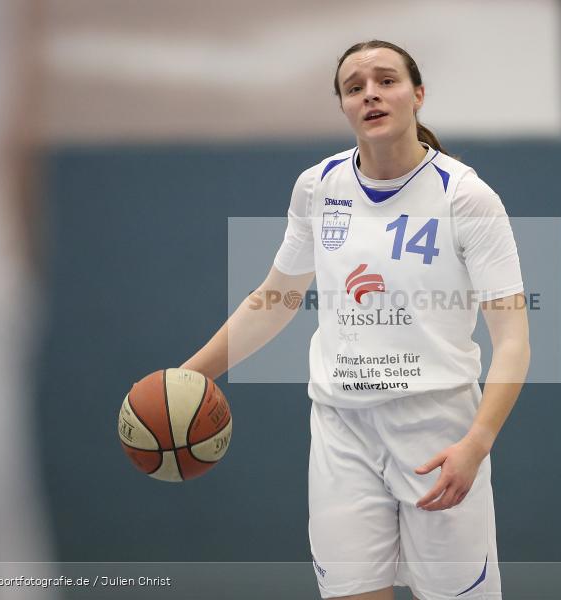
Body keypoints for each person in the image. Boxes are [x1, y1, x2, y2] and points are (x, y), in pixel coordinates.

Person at [182, 39, 530, 600]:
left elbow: (513, 341)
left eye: (386, 80)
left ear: (418, 95)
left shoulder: (466, 196)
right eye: (354, 87)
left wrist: (477, 442)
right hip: (342, 428)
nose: (370, 93)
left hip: (437, 429)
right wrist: (188, 376)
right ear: (343, 106)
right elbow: (276, 298)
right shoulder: (319, 187)